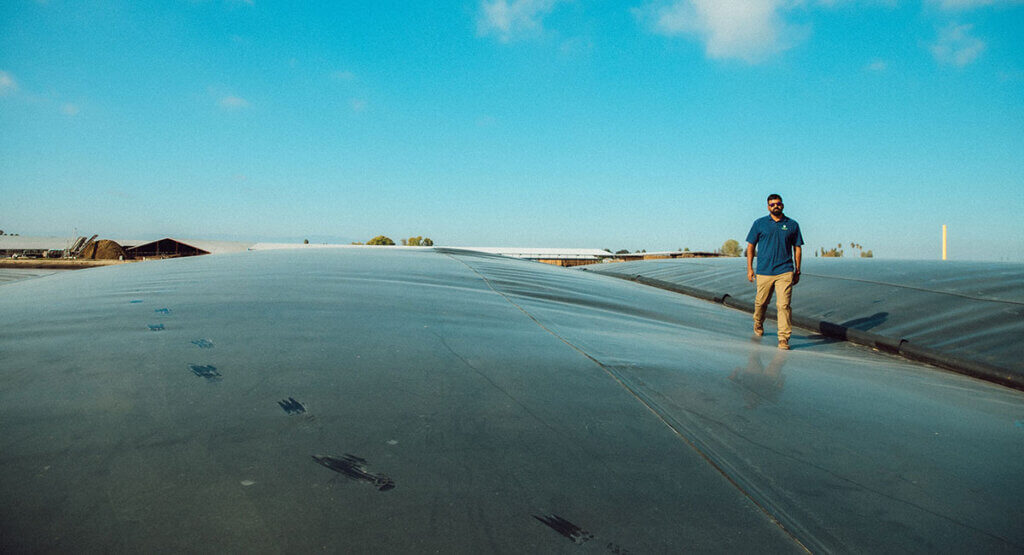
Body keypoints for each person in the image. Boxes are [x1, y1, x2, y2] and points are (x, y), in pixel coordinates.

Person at [746, 194, 803, 350]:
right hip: (764, 271)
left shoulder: (792, 225)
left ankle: (783, 338)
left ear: (782, 205)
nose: (775, 206)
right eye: (772, 204)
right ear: (768, 207)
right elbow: (751, 246)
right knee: (760, 303)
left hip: (784, 271)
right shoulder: (759, 224)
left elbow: (797, 248)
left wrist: (798, 269)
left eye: (778, 204)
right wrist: (750, 268)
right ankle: (758, 322)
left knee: (783, 305)